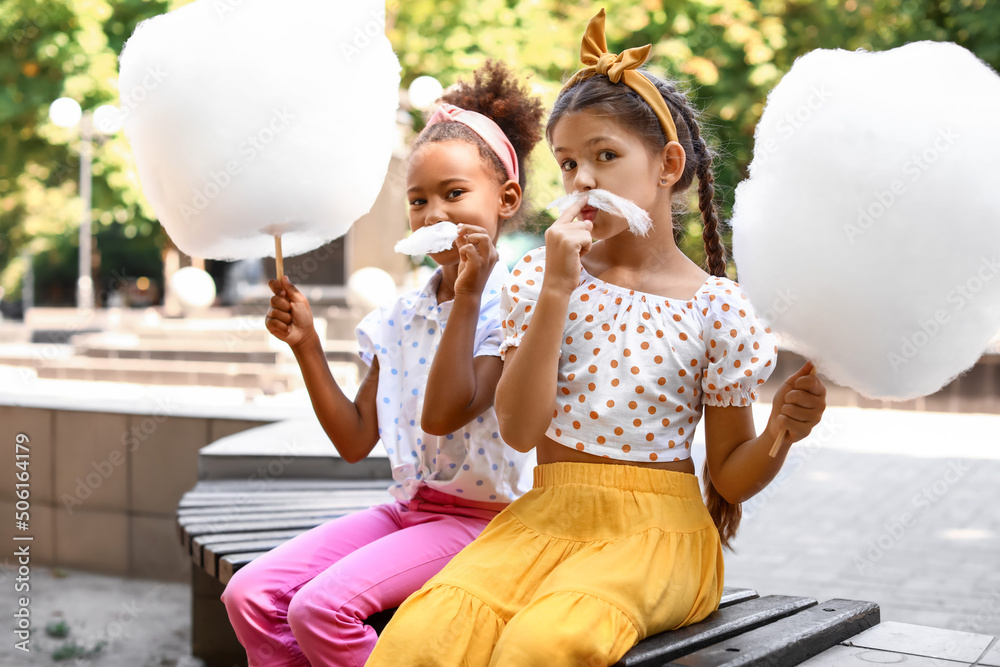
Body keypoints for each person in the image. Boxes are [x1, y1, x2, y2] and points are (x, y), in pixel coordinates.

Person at [366, 10, 828, 666]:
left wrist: (782, 429)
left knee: (543, 644)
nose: (582, 181)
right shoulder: (538, 279)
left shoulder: (716, 308)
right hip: (545, 517)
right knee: (425, 633)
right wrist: (557, 291)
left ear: (668, 164)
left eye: (605, 157)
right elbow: (522, 430)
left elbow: (730, 472)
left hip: (657, 537)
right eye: (568, 163)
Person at [220, 60, 545, 666]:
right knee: (251, 593)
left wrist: (468, 295)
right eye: (418, 200)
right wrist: (307, 346)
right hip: (410, 509)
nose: (434, 214)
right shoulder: (396, 318)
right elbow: (354, 439)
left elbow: (447, 413)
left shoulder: (520, 307)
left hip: (489, 522)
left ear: (505, 199)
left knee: (321, 608)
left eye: (454, 194)